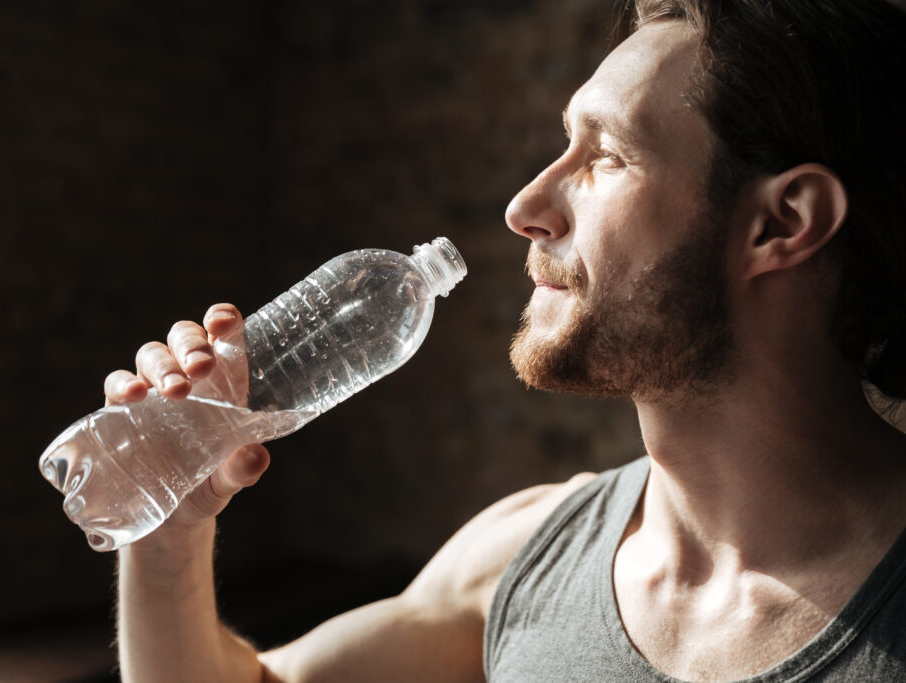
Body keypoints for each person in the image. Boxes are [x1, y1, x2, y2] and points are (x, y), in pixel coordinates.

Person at [110, 1, 906, 680]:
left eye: (606, 156)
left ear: (782, 223)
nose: (526, 205)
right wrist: (170, 533)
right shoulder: (530, 550)